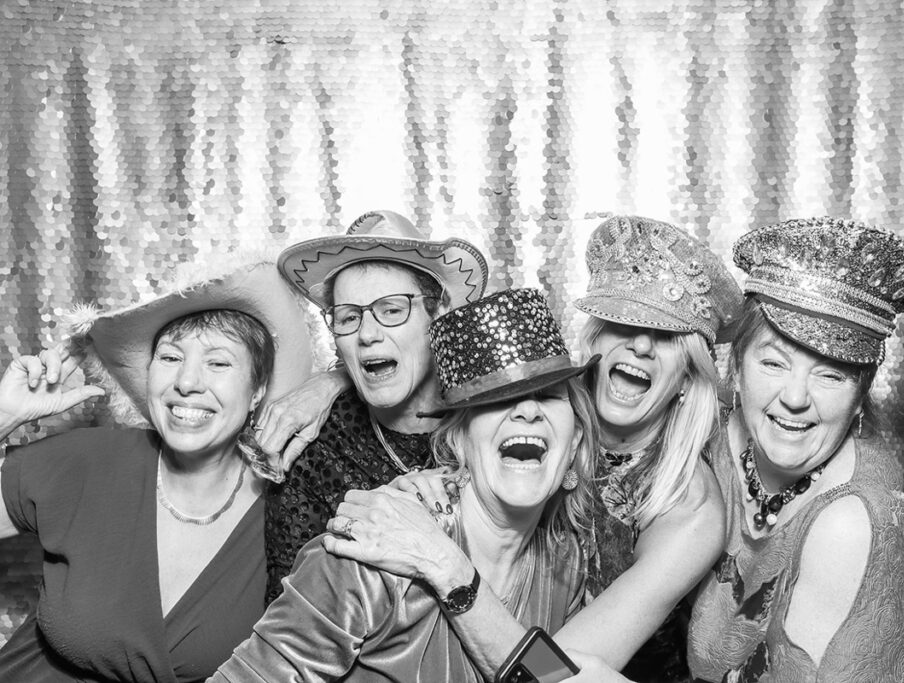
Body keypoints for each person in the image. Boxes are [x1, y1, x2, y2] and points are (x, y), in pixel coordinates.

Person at [324, 215, 744, 680]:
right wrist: (333, 383)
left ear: (688, 375)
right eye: (626, 322)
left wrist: (446, 566)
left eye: (667, 336)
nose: (642, 345)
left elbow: (548, 675)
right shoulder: (537, 411)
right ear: (594, 341)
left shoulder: (691, 512)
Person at [211, 288, 598, 681]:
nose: (529, 411)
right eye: (498, 399)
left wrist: (448, 568)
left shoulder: (565, 563)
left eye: (549, 395)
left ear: (574, 447)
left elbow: (555, 680)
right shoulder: (375, 542)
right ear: (459, 440)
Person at [685, 217, 904, 681]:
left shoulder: (849, 526)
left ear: (858, 397)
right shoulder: (711, 439)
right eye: (773, 362)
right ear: (738, 369)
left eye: (831, 374)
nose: (794, 397)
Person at [0, 259, 316, 682]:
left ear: (257, 390)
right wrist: (1, 417)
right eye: (170, 357)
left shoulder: (292, 510)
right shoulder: (85, 463)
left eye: (218, 363)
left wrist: (334, 383)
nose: (187, 382)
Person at [262, 209, 488, 602]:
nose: (367, 334)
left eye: (392, 310)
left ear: (439, 314)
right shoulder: (315, 450)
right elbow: (291, 611)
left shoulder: (495, 421)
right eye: (348, 317)